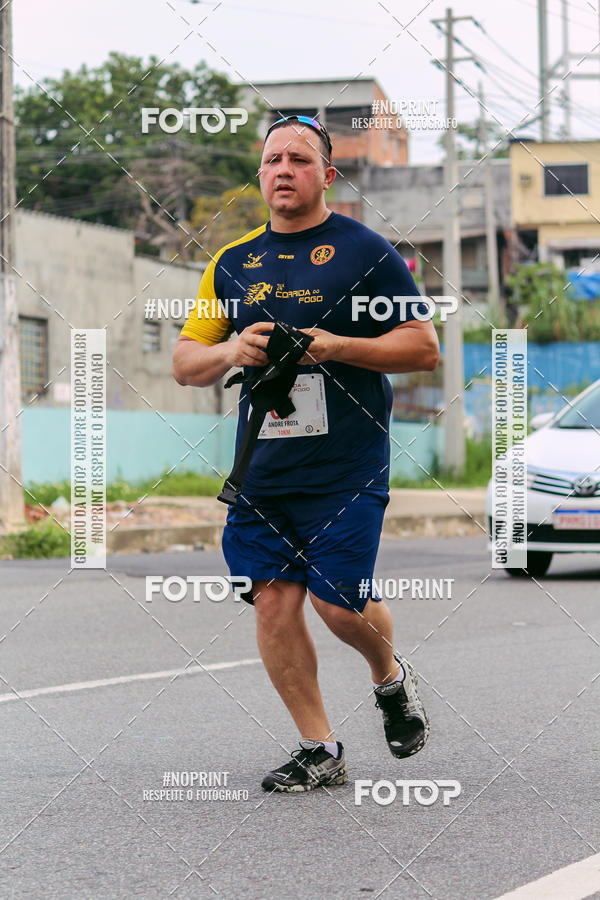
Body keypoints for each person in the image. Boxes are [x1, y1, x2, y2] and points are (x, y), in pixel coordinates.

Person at [173, 115, 439, 793]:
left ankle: (390, 680)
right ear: (260, 175)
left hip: (346, 466)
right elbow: (184, 362)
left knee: (340, 607)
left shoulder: (368, 254)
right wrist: (231, 349)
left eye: (299, 158)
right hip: (262, 469)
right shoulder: (232, 264)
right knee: (272, 604)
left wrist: (335, 345)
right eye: (272, 159)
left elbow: (422, 347)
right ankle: (319, 747)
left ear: (327, 174)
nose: (283, 169)